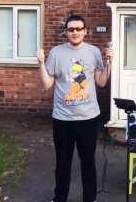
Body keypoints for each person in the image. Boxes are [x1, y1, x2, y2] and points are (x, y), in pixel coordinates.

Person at [37, 14, 113, 202]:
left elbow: (101, 82)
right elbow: (47, 85)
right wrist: (40, 62)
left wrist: (110, 63)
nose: (75, 32)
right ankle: (60, 198)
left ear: (85, 31)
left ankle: (90, 198)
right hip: (63, 119)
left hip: (88, 118)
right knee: (63, 163)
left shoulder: (94, 52)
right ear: (66, 32)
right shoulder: (56, 53)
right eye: (71, 29)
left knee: (88, 162)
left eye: (79, 29)